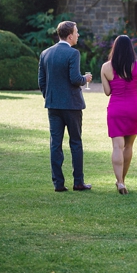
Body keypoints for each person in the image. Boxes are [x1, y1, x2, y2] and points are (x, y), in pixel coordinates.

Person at [38, 21, 93, 192]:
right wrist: (86, 79)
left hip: (53, 106)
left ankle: (58, 183)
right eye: (76, 32)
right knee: (75, 142)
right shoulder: (73, 53)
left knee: (55, 144)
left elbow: (42, 81)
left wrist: (50, 97)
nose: (78, 35)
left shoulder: (45, 53)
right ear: (69, 36)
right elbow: (75, 79)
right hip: (72, 105)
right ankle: (78, 182)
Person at [100, 35, 137, 194]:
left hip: (116, 109)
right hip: (134, 108)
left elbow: (107, 92)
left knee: (117, 146)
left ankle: (119, 182)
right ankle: (122, 180)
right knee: (129, 146)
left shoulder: (106, 67)